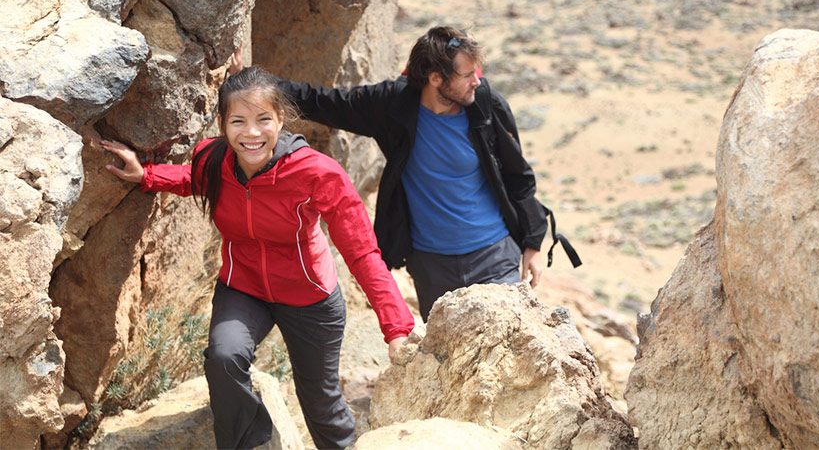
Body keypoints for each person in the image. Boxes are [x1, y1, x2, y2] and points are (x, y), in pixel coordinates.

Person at [102, 67, 414, 450]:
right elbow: (191, 178)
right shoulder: (213, 160)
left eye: (263, 119)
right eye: (238, 121)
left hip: (310, 297)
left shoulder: (316, 173)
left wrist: (396, 327)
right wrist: (146, 174)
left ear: (280, 119)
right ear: (222, 123)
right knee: (223, 357)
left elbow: (362, 253)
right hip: (243, 288)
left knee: (320, 402)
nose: (251, 133)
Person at [232, 26, 577, 323]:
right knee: (451, 360)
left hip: (494, 256)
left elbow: (519, 176)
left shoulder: (486, 104)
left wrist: (533, 243)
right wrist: (249, 81)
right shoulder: (393, 105)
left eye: (478, 72)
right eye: (467, 74)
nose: (478, 80)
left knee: (507, 349)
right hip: (430, 265)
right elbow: (323, 102)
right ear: (436, 79)